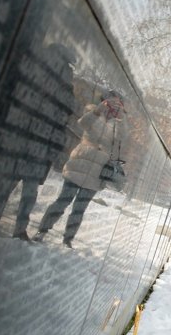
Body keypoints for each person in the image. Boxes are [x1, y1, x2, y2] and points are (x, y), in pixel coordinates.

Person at [32, 90, 129, 248]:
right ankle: (42, 230)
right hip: (79, 164)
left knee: (79, 208)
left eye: (117, 104)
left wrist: (122, 117)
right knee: (62, 201)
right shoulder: (93, 110)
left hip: (97, 172)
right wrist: (100, 109)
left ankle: (67, 240)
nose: (113, 106)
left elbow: (123, 139)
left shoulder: (117, 124)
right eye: (111, 101)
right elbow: (82, 123)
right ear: (104, 99)